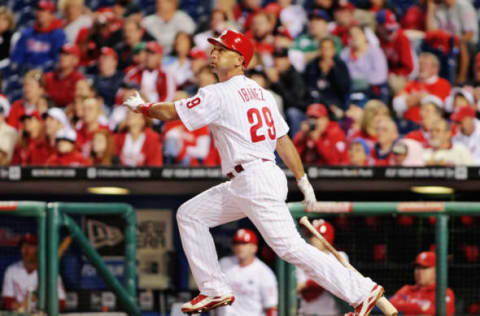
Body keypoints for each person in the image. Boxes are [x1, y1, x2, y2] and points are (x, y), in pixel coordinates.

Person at [123, 29, 384, 315]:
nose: (214, 53)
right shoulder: (262, 94)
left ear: (240, 60)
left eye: (222, 50)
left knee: (291, 248)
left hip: (254, 178)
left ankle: (362, 290)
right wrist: (302, 179)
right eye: (214, 49)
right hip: (250, 179)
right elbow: (283, 140)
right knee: (191, 214)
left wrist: (143, 107)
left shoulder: (218, 92)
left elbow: (170, 112)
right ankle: (214, 288)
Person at [214, 228, 278, 316]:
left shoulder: (264, 273)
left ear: (254, 248)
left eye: (244, 243)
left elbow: (271, 307)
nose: (240, 247)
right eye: (237, 243)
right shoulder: (223, 264)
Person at [2, 234, 66, 312]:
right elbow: (7, 301)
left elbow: (61, 303)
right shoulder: (12, 270)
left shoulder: (50, 273)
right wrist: (20, 307)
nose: (26, 250)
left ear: (39, 249)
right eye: (23, 246)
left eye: (30, 246)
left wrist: (42, 308)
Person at [296, 219, 346, 316]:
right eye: (311, 236)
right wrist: (325, 280)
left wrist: (311, 283)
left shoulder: (340, 257)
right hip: (306, 313)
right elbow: (299, 287)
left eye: (316, 236)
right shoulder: (303, 258)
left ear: (326, 238)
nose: (312, 239)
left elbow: (340, 281)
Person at [393, 53, 451, 125]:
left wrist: (409, 99)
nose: (421, 67)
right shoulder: (411, 83)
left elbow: (438, 105)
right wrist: (421, 97)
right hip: (407, 122)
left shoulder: (443, 84)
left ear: (435, 69)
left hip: (430, 124)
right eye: (420, 64)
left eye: (426, 65)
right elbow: (397, 105)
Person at [389, 251, 455, 315]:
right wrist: (419, 307)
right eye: (417, 268)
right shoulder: (407, 289)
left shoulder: (444, 293)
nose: (419, 272)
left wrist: (406, 306)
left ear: (436, 270)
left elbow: (440, 312)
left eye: (424, 268)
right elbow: (389, 306)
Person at [10, 1, 66, 71]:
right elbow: (17, 57)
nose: (40, 13)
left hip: (47, 74)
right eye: (38, 10)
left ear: (51, 15)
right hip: (26, 73)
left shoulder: (58, 35)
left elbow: (58, 59)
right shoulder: (28, 33)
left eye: (43, 10)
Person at [43, 43, 85, 107]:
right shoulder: (49, 77)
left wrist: (50, 96)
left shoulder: (79, 79)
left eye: (66, 54)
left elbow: (71, 101)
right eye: (61, 54)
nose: (62, 57)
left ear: (75, 60)